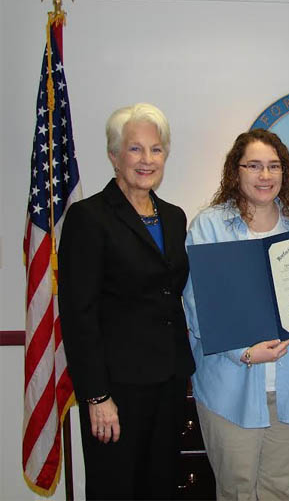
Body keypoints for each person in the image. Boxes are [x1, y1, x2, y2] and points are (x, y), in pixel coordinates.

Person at [58, 103, 195, 500]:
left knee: (161, 485)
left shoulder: (173, 217)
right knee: (116, 488)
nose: (146, 159)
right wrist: (96, 396)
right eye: (135, 149)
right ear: (114, 156)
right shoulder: (89, 218)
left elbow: (173, 292)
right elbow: (78, 313)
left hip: (169, 380)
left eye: (156, 149)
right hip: (116, 389)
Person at [183, 129, 289, 500]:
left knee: (286, 492)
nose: (265, 175)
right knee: (236, 492)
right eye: (254, 165)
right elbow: (198, 306)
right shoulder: (209, 226)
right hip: (230, 390)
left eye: (274, 166)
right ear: (235, 171)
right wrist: (242, 352)